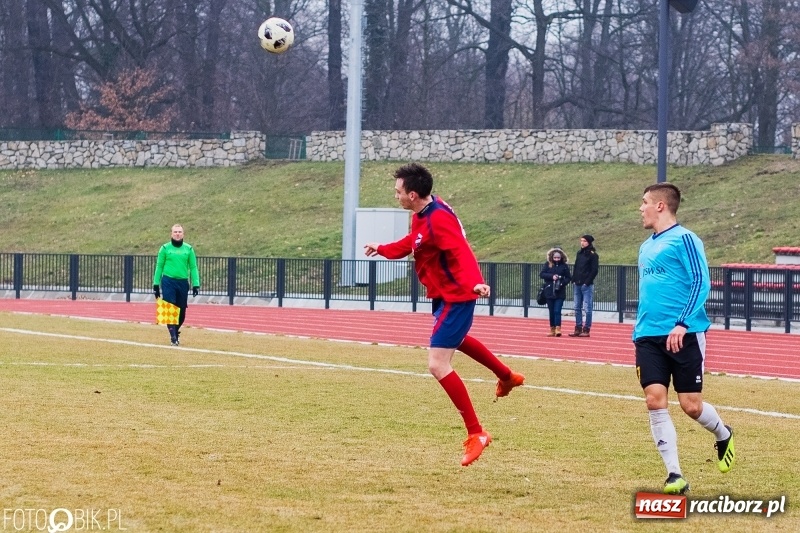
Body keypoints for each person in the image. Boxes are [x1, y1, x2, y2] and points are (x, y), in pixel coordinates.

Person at [364, 163, 525, 467]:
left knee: (437, 364)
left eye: (398, 192)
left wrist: (476, 282)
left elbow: (461, 251)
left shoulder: (438, 219)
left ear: (413, 194)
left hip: (458, 295)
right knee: (457, 339)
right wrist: (382, 248)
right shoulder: (422, 214)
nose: (396, 196)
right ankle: (506, 376)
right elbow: (412, 244)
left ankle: (477, 433)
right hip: (442, 294)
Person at [634, 182, 735, 495]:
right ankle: (674, 474)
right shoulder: (645, 246)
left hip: (684, 334)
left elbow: (701, 282)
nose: (640, 208)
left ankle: (723, 434)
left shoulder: (685, 239)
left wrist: (682, 323)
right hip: (648, 336)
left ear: (660, 205)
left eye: (645, 202)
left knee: (691, 406)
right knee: (654, 400)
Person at [153, 224, 200, 346]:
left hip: (183, 282)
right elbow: (159, 266)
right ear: (171, 234)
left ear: (183, 234)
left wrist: (196, 284)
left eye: (179, 232)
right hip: (168, 281)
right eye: (175, 232)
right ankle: (173, 337)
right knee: (170, 308)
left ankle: (175, 330)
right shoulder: (164, 248)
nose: (177, 234)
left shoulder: (189, 249)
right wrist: (156, 284)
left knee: (181, 311)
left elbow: (193, 267)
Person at [569, 235, 599, 337]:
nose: (582, 243)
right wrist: (573, 279)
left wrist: (587, 282)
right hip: (577, 283)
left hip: (586, 285)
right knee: (577, 307)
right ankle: (578, 328)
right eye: (581, 241)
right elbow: (576, 267)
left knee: (587, 308)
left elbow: (594, 270)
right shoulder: (579, 253)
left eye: (584, 241)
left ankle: (586, 329)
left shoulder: (593, 255)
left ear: (589, 242)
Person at [539, 248, 571, 337]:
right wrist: (551, 276)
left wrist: (562, 283)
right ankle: (552, 328)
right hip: (549, 291)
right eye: (555, 258)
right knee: (551, 311)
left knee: (557, 310)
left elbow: (568, 277)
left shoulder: (564, 266)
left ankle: (558, 328)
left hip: (560, 291)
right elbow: (542, 274)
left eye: (558, 258)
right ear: (552, 257)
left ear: (561, 257)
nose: (556, 259)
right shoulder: (547, 264)